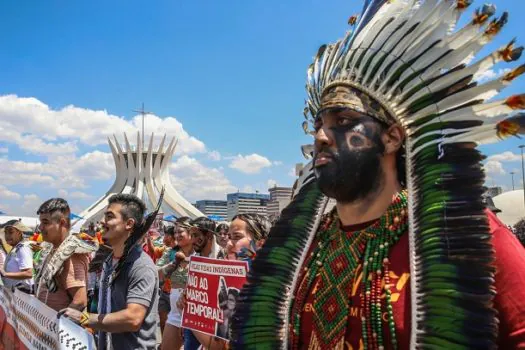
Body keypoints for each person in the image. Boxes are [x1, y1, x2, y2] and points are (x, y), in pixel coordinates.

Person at [230, 2, 525, 349]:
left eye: (342, 121)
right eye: (319, 125)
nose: (321, 137)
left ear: (391, 137)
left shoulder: (467, 233)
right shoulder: (300, 248)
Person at [59, 194, 160, 350]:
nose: (101, 222)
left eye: (109, 217)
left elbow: (133, 318)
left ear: (129, 224)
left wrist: (84, 317)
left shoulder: (141, 266)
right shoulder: (108, 262)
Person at [192, 213, 271, 349]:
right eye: (229, 237)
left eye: (237, 237)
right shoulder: (228, 285)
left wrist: (190, 314)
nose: (228, 244)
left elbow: (219, 347)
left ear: (260, 243)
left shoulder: (268, 292)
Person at [34, 198, 97, 312]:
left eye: (45, 222)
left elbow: (79, 302)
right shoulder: (52, 248)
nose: (40, 227)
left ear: (62, 223)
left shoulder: (70, 254)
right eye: (41, 222)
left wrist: (55, 323)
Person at [160, 217, 193, 350]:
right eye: (175, 232)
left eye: (181, 232)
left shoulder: (202, 253)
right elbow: (157, 274)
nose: (177, 235)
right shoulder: (170, 253)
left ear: (191, 232)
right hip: (174, 313)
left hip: (194, 313)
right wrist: (174, 263)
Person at [0, 221, 34, 293]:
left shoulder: (23, 248)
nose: (7, 236)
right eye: (5, 232)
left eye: (11, 232)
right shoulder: (16, 248)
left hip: (23, 297)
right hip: (15, 295)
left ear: (19, 233)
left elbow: (28, 273)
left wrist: (5, 274)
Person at [156, 224, 178, 334]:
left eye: (166, 235)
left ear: (171, 236)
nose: (164, 238)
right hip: (165, 292)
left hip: (177, 294)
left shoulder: (186, 252)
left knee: (177, 327)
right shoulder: (168, 251)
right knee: (163, 321)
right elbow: (158, 268)